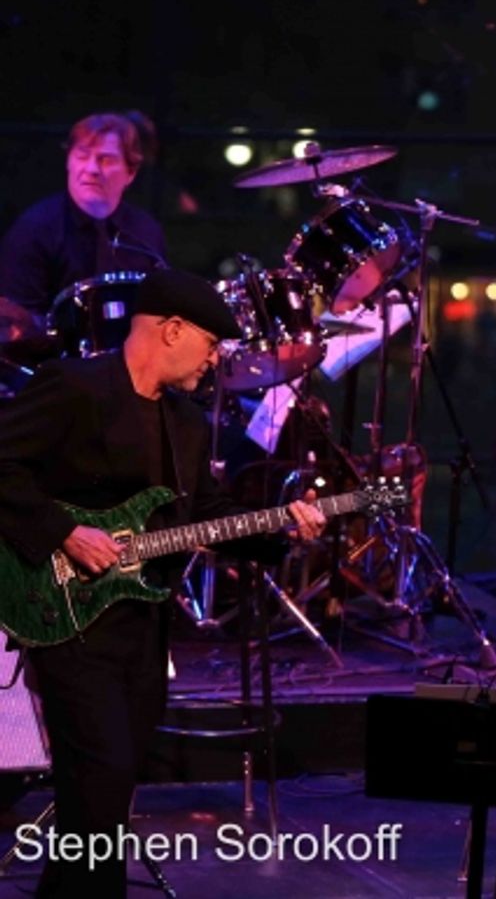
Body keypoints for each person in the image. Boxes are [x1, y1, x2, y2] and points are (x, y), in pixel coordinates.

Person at [0, 269, 325, 898]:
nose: (216, 360)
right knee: (101, 774)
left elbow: (202, 517)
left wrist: (282, 528)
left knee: (106, 793)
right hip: (62, 609)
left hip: (142, 622)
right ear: (171, 330)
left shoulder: (186, 421)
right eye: (210, 344)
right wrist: (64, 531)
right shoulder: (74, 387)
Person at [0, 111, 168, 320]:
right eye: (82, 155)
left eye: (106, 160)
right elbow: (17, 321)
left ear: (131, 172)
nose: (91, 169)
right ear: (68, 162)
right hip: (51, 351)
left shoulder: (146, 233)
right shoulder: (33, 230)